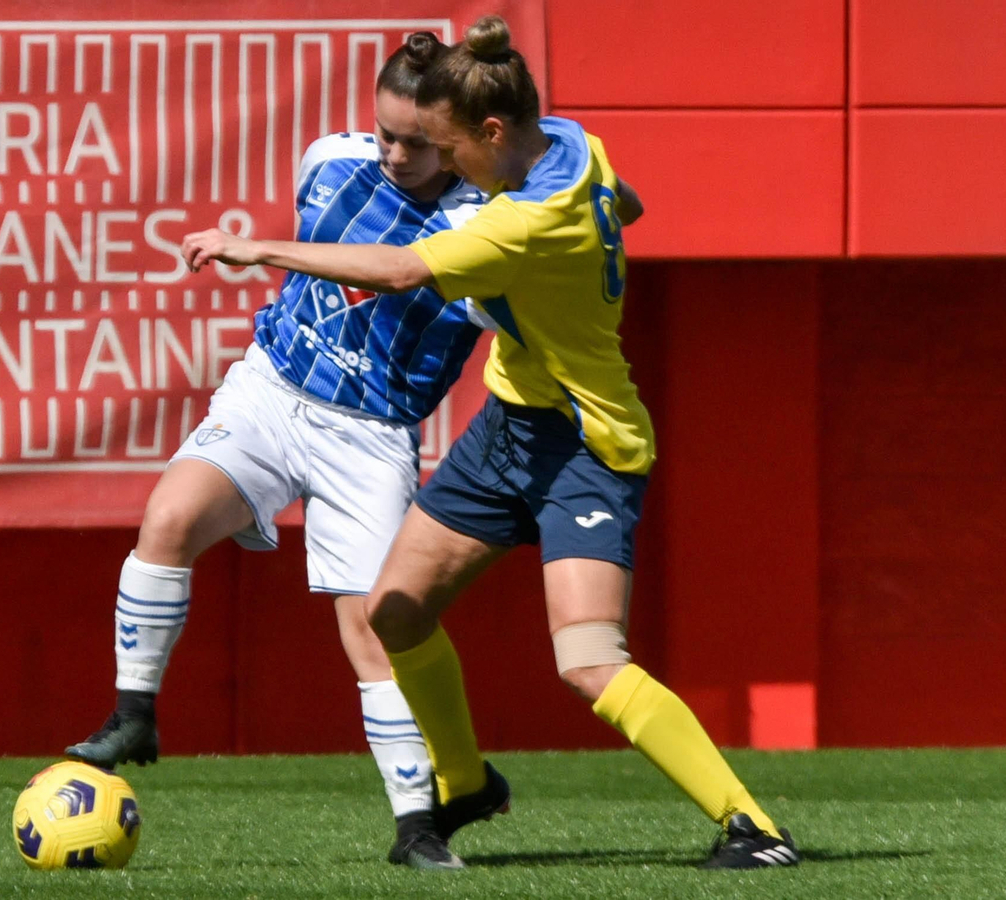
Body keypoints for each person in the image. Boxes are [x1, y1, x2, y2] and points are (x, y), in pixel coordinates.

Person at [178, 15, 799, 871]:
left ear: (493, 133)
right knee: (394, 610)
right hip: (509, 427)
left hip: (587, 443)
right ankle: (466, 783)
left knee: (587, 659)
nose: (444, 167)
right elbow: (630, 200)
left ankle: (754, 829)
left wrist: (254, 249)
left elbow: (398, 271)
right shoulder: (575, 142)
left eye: (448, 148)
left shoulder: (523, 224)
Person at [66, 33, 495, 869]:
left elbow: (397, 269)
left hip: (367, 436)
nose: (398, 154)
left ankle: (418, 826)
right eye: (387, 134)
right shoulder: (331, 161)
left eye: (420, 141)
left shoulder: (484, 222)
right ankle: (134, 714)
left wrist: (258, 247)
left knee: (375, 630)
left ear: (459, 136)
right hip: (270, 389)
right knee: (168, 519)